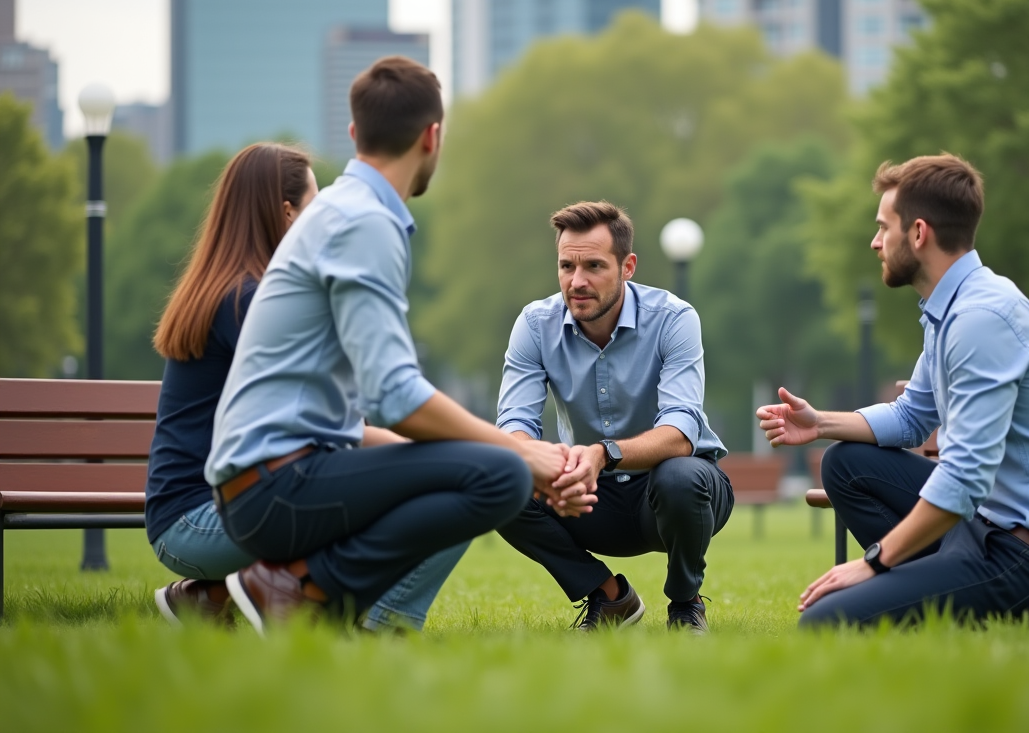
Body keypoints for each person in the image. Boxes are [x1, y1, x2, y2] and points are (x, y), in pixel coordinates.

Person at [204, 56, 567, 635]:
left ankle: (310, 598)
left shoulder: (338, 211)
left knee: (481, 465)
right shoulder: (364, 223)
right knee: (498, 475)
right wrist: (526, 452)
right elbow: (397, 397)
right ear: (432, 136)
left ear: (355, 134)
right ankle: (297, 592)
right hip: (272, 485)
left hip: (262, 477)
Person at [757, 154, 1029, 628]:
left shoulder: (982, 319)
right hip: (979, 526)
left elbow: (967, 475)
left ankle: (1020, 609)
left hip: (1020, 555)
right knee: (846, 462)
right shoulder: (951, 308)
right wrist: (820, 424)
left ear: (918, 233)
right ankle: (975, 604)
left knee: (825, 622)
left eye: (882, 228)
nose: (875, 242)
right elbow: (913, 416)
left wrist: (874, 563)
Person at [147, 142, 469, 633]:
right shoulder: (249, 302)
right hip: (205, 520)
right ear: (286, 212)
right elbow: (346, 432)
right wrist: (441, 451)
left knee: (431, 478)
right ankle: (378, 628)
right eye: (315, 208)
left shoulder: (230, 290)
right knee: (454, 483)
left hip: (190, 517)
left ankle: (213, 597)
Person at [495, 201, 732, 633]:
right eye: (567, 266)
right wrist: (548, 465)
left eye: (594, 266)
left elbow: (681, 432)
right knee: (500, 478)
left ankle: (685, 601)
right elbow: (514, 426)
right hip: (586, 495)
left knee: (681, 475)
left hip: (673, 495)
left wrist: (604, 454)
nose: (577, 281)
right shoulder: (534, 324)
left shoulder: (674, 319)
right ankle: (609, 597)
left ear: (628, 267)